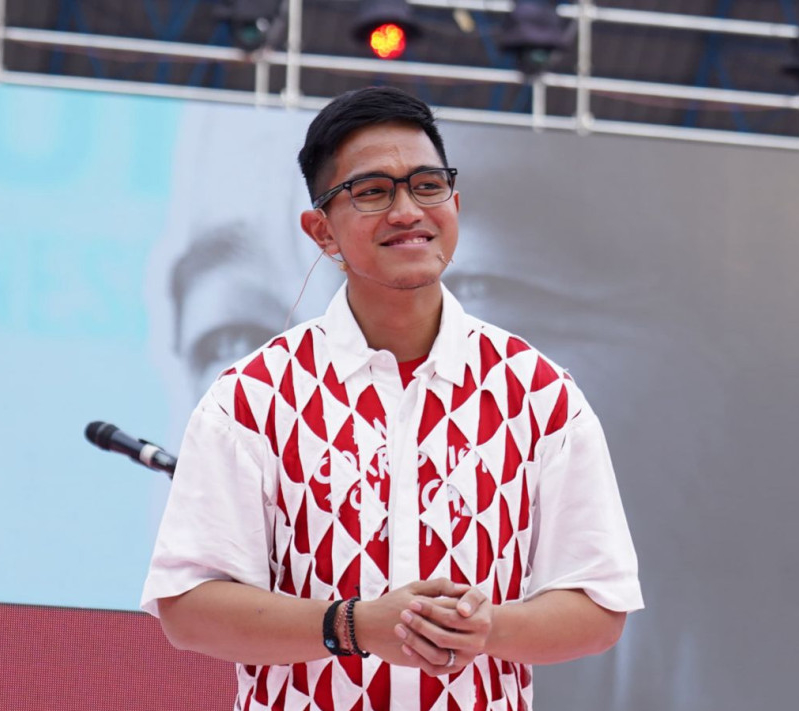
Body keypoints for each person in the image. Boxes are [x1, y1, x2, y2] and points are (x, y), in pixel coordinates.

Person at [141, 86, 643, 711]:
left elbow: (599, 606)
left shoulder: (538, 394)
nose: (407, 211)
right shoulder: (252, 397)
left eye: (427, 186)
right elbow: (188, 607)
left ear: (454, 204)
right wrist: (351, 625)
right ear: (321, 231)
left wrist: (489, 628)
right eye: (372, 191)